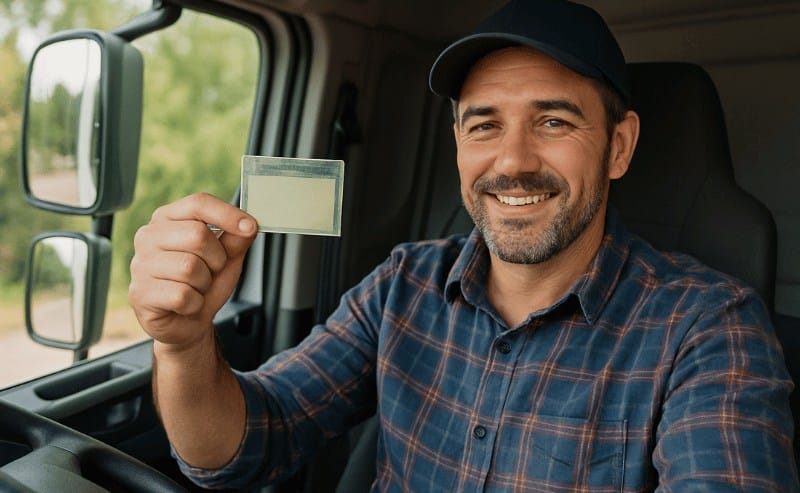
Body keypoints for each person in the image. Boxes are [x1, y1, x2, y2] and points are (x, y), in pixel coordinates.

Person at [128, 0, 798, 491]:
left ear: (618, 146)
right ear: (458, 146)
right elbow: (244, 446)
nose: (512, 160)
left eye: (553, 120)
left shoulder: (710, 325)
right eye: (484, 125)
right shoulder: (401, 283)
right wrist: (184, 343)